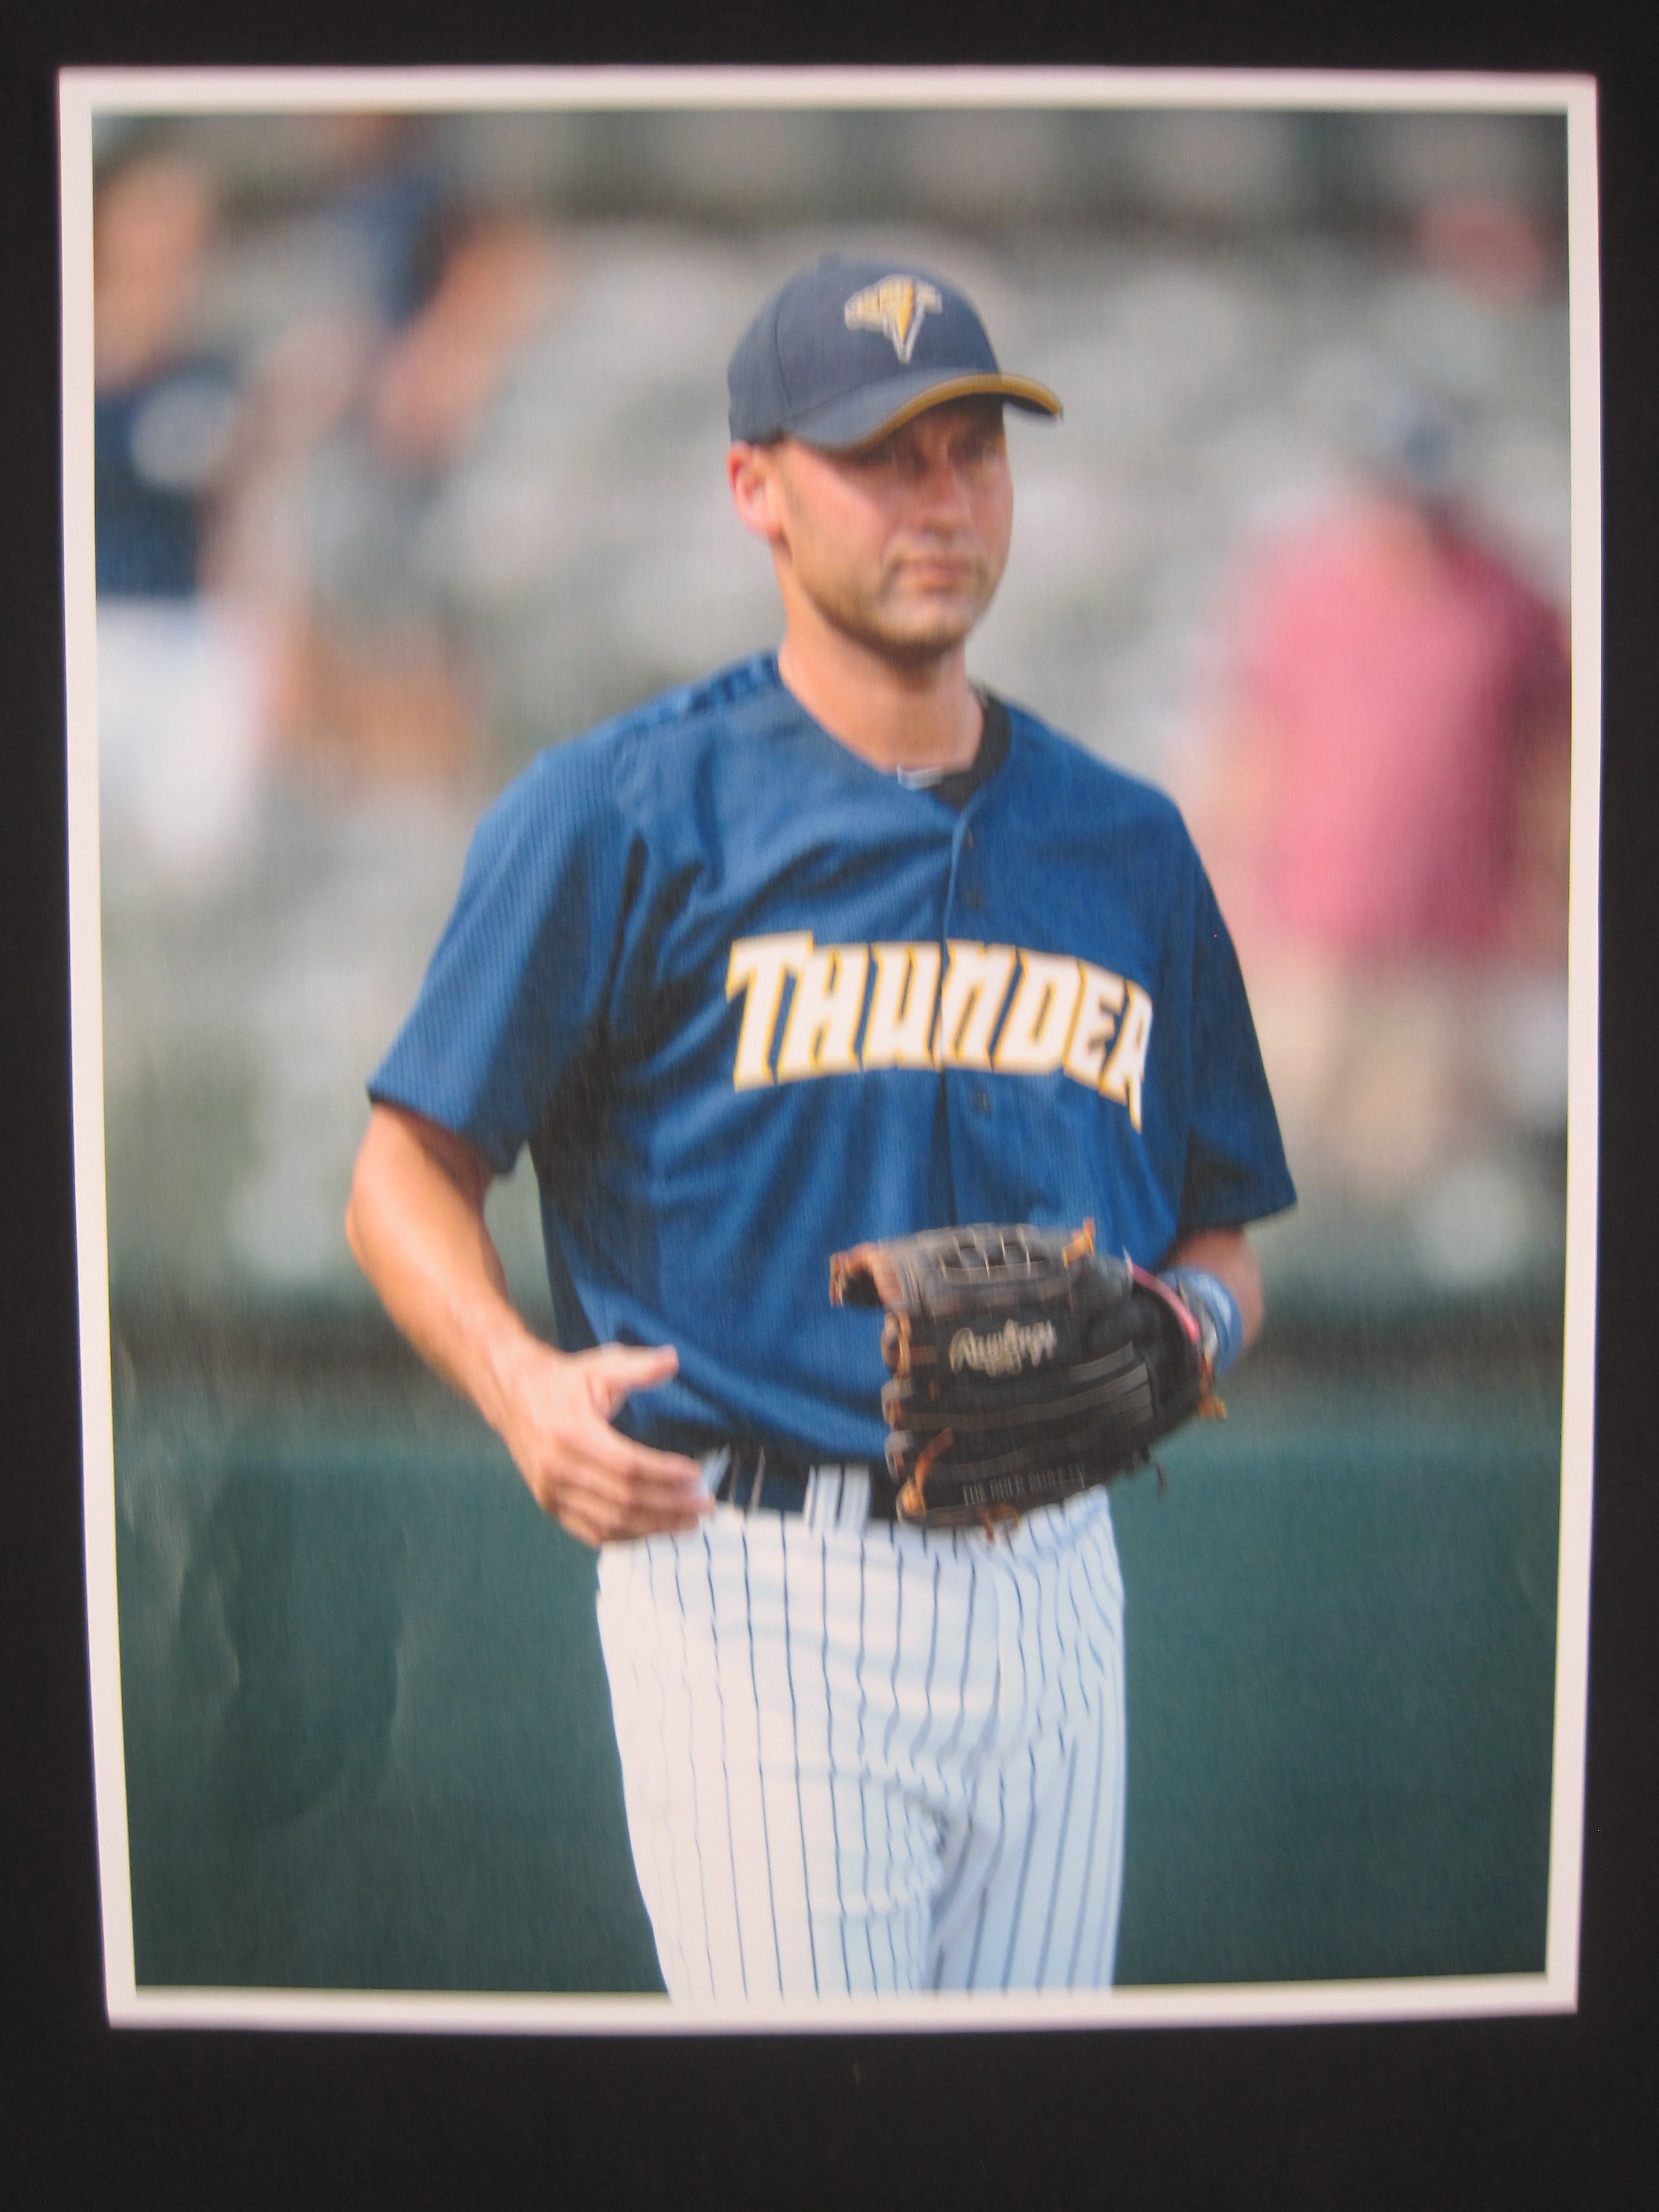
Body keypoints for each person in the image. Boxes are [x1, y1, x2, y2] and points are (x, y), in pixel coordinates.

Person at [346, 253, 1295, 2002]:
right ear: (756, 490)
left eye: (971, 450)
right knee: (821, 2145)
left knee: (1025, 2153)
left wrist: (1191, 1324)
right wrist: (514, 1382)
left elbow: (1224, 1229)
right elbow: (406, 1167)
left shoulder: (1130, 845)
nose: (939, 501)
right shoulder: (621, 812)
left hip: (1061, 1580)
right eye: (883, 455)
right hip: (757, 1581)